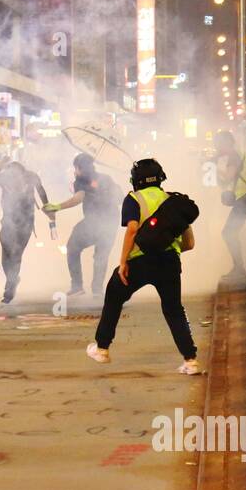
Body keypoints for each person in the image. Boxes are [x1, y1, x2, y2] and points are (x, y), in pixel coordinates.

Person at [86, 159, 200, 374]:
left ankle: (102, 349)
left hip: (139, 262)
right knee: (174, 310)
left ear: (135, 180)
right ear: (160, 177)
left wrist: (122, 263)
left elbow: (131, 229)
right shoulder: (173, 201)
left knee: (114, 296)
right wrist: (171, 252)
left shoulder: (133, 199)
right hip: (169, 263)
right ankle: (190, 360)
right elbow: (190, 244)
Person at [45, 154, 122, 297]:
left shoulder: (80, 181)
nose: (75, 171)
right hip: (112, 221)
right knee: (101, 256)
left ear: (79, 168)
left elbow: (77, 199)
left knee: (72, 247)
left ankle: (77, 286)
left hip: (93, 222)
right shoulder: (106, 178)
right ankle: (97, 291)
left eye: (76, 168)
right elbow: (119, 198)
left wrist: (57, 207)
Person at [0, 157, 51, 304]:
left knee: (16, 253)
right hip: (7, 222)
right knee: (6, 254)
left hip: (26, 222)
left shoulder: (31, 177)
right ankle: (12, 278)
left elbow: (42, 191)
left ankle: (10, 287)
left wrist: (47, 207)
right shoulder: (4, 177)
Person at [214, 131, 246, 278]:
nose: (217, 148)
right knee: (230, 232)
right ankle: (238, 268)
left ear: (227, 143)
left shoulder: (233, 157)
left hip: (244, 198)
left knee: (228, 232)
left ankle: (239, 269)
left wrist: (217, 172)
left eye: (219, 144)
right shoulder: (240, 154)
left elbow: (228, 177)